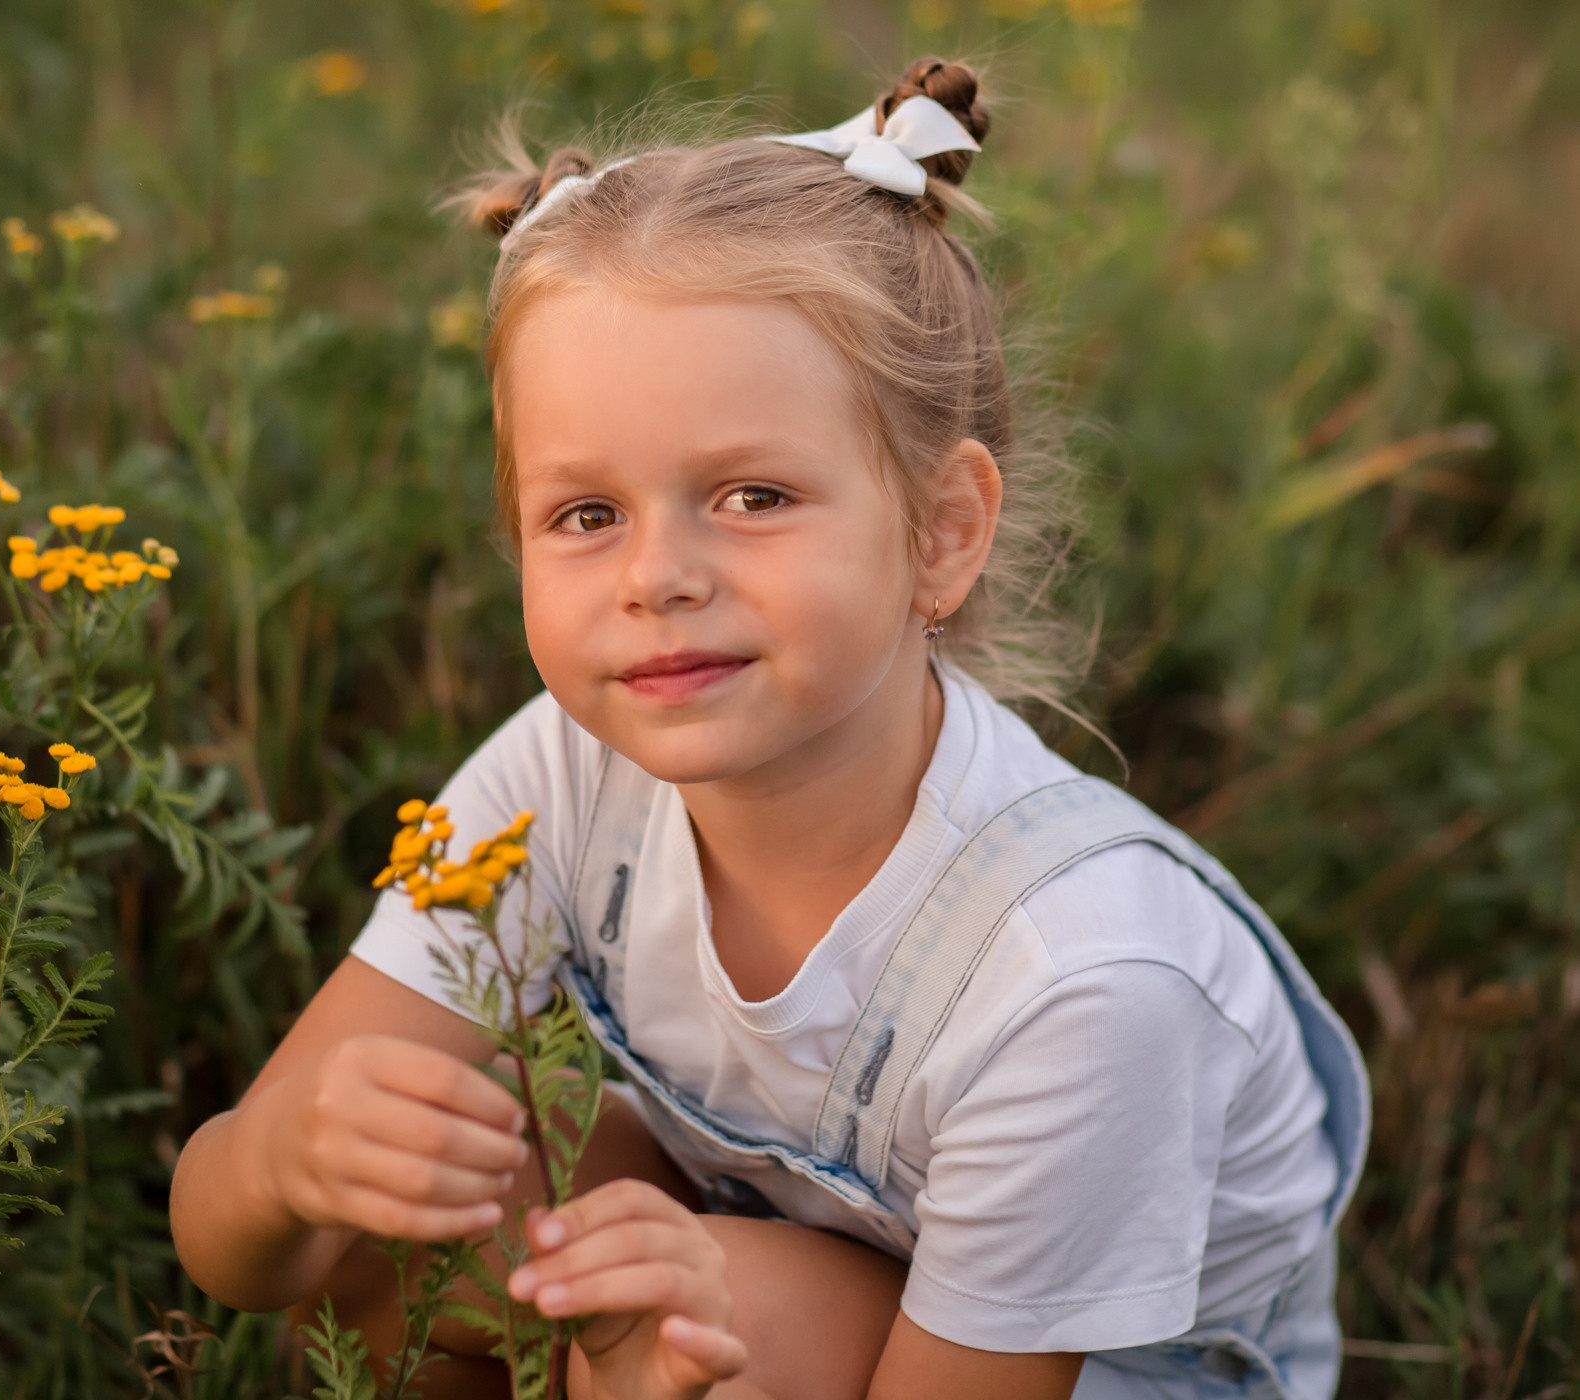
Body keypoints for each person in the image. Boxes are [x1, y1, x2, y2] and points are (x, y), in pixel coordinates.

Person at [170, 56, 1368, 1400]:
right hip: (791, 1255)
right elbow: (240, 1248)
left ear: (943, 532)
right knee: (410, 1209)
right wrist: (281, 1168)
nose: (656, 576)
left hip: (1086, 1374)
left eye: (751, 496)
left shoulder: (1077, 982)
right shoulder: (559, 776)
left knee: (717, 1326)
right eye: (586, 515)